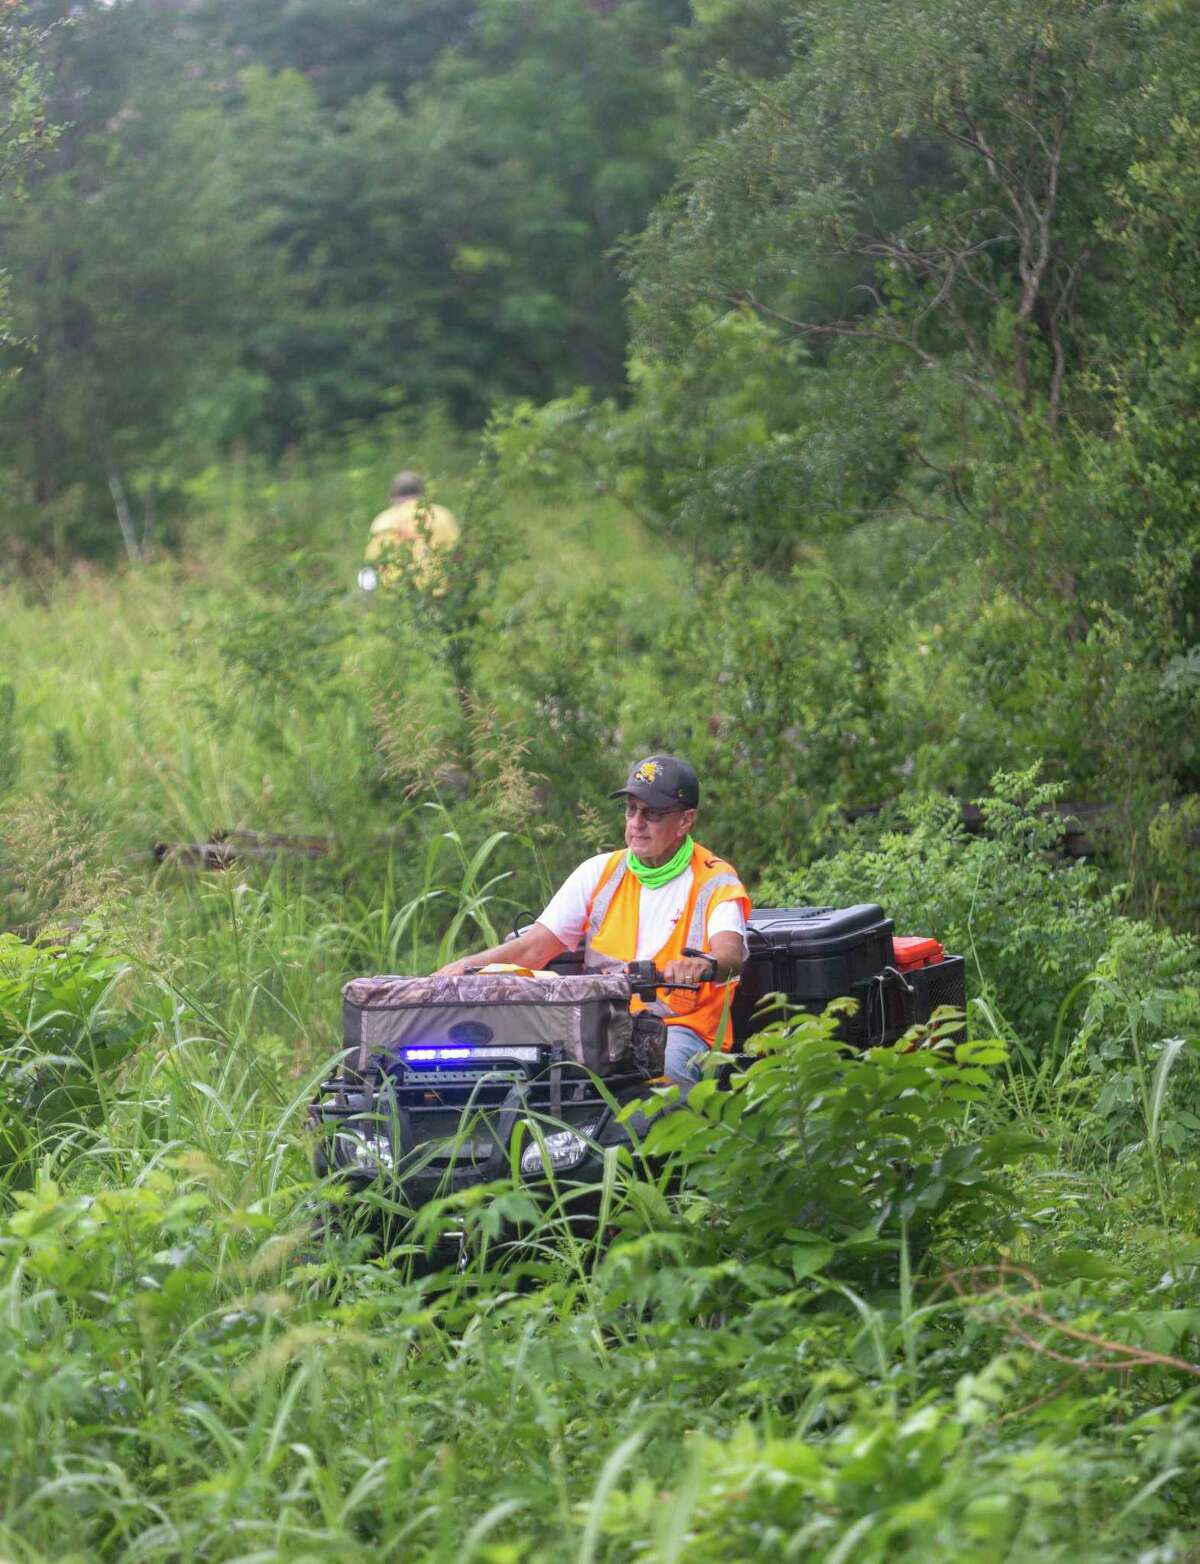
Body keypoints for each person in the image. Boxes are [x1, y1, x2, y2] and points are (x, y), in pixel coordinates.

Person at [436, 755, 750, 1089]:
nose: (636, 823)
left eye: (652, 813)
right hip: (601, 1027)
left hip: (680, 1029)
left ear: (686, 821)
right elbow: (532, 948)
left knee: (658, 1085)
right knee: (534, 1080)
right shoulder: (598, 872)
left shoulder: (716, 879)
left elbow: (731, 957)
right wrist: (467, 966)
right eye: (631, 809)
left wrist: (702, 965)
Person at [364, 470, 460, 588]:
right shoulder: (443, 516)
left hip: (398, 595)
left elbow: (372, 565)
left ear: (393, 496)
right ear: (423, 493)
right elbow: (458, 555)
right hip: (442, 592)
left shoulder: (382, 522)